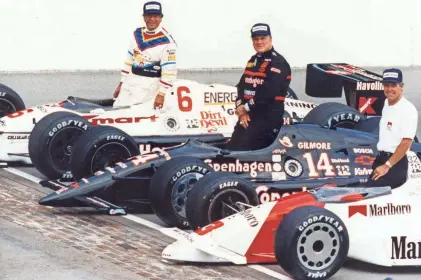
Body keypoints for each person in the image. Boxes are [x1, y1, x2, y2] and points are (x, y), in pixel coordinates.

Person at [226, 23, 292, 151]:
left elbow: (268, 93)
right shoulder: (253, 61)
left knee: (239, 151)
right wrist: (240, 108)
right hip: (249, 116)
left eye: (263, 38)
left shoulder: (278, 62)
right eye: (256, 39)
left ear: (270, 39)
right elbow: (241, 86)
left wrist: (245, 108)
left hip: (268, 117)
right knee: (231, 148)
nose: (259, 42)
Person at [113, 1, 177, 109]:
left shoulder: (168, 42)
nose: (152, 19)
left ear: (161, 18)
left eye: (155, 16)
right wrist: (121, 83)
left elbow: (169, 70)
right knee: (116, 108)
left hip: (149, 85)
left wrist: (161, 94)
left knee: (128, 113)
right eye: (149, 16)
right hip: (130, 81)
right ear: (144, 17)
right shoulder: (136, 34)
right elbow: (129, 59)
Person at [367, 68, 418, 188]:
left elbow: (406, 143)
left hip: (394, 164)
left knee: (371, 196)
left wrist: (387, 166)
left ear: (401, 86)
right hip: (381, 159)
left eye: (393, 85)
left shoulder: (408, 110)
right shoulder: (386, 103)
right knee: (365, 190)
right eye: (386, 85)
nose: (389, 89)